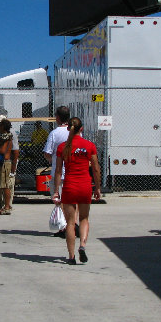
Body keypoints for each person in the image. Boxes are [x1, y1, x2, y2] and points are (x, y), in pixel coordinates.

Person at [52, 117, 101, 265]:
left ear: (69, 129)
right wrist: (97, 187)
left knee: (70, 223)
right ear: (82, 129)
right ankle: (82, 246)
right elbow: (96, 169)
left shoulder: (63, 147)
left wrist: (56, 191)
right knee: (84, 218)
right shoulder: (89, 145)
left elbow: (59, 171)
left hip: (69, 186)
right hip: (85, 185)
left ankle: (71, 256)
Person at [44, 105, 72, 237]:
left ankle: (63, 227)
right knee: (70, 201)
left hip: (58, 173)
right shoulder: (74, 133)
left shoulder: (54, 134)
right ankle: (71, 224)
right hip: (72, 172)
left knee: (59, 200)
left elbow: (47, 153)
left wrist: (52, 160)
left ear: (58, 118)